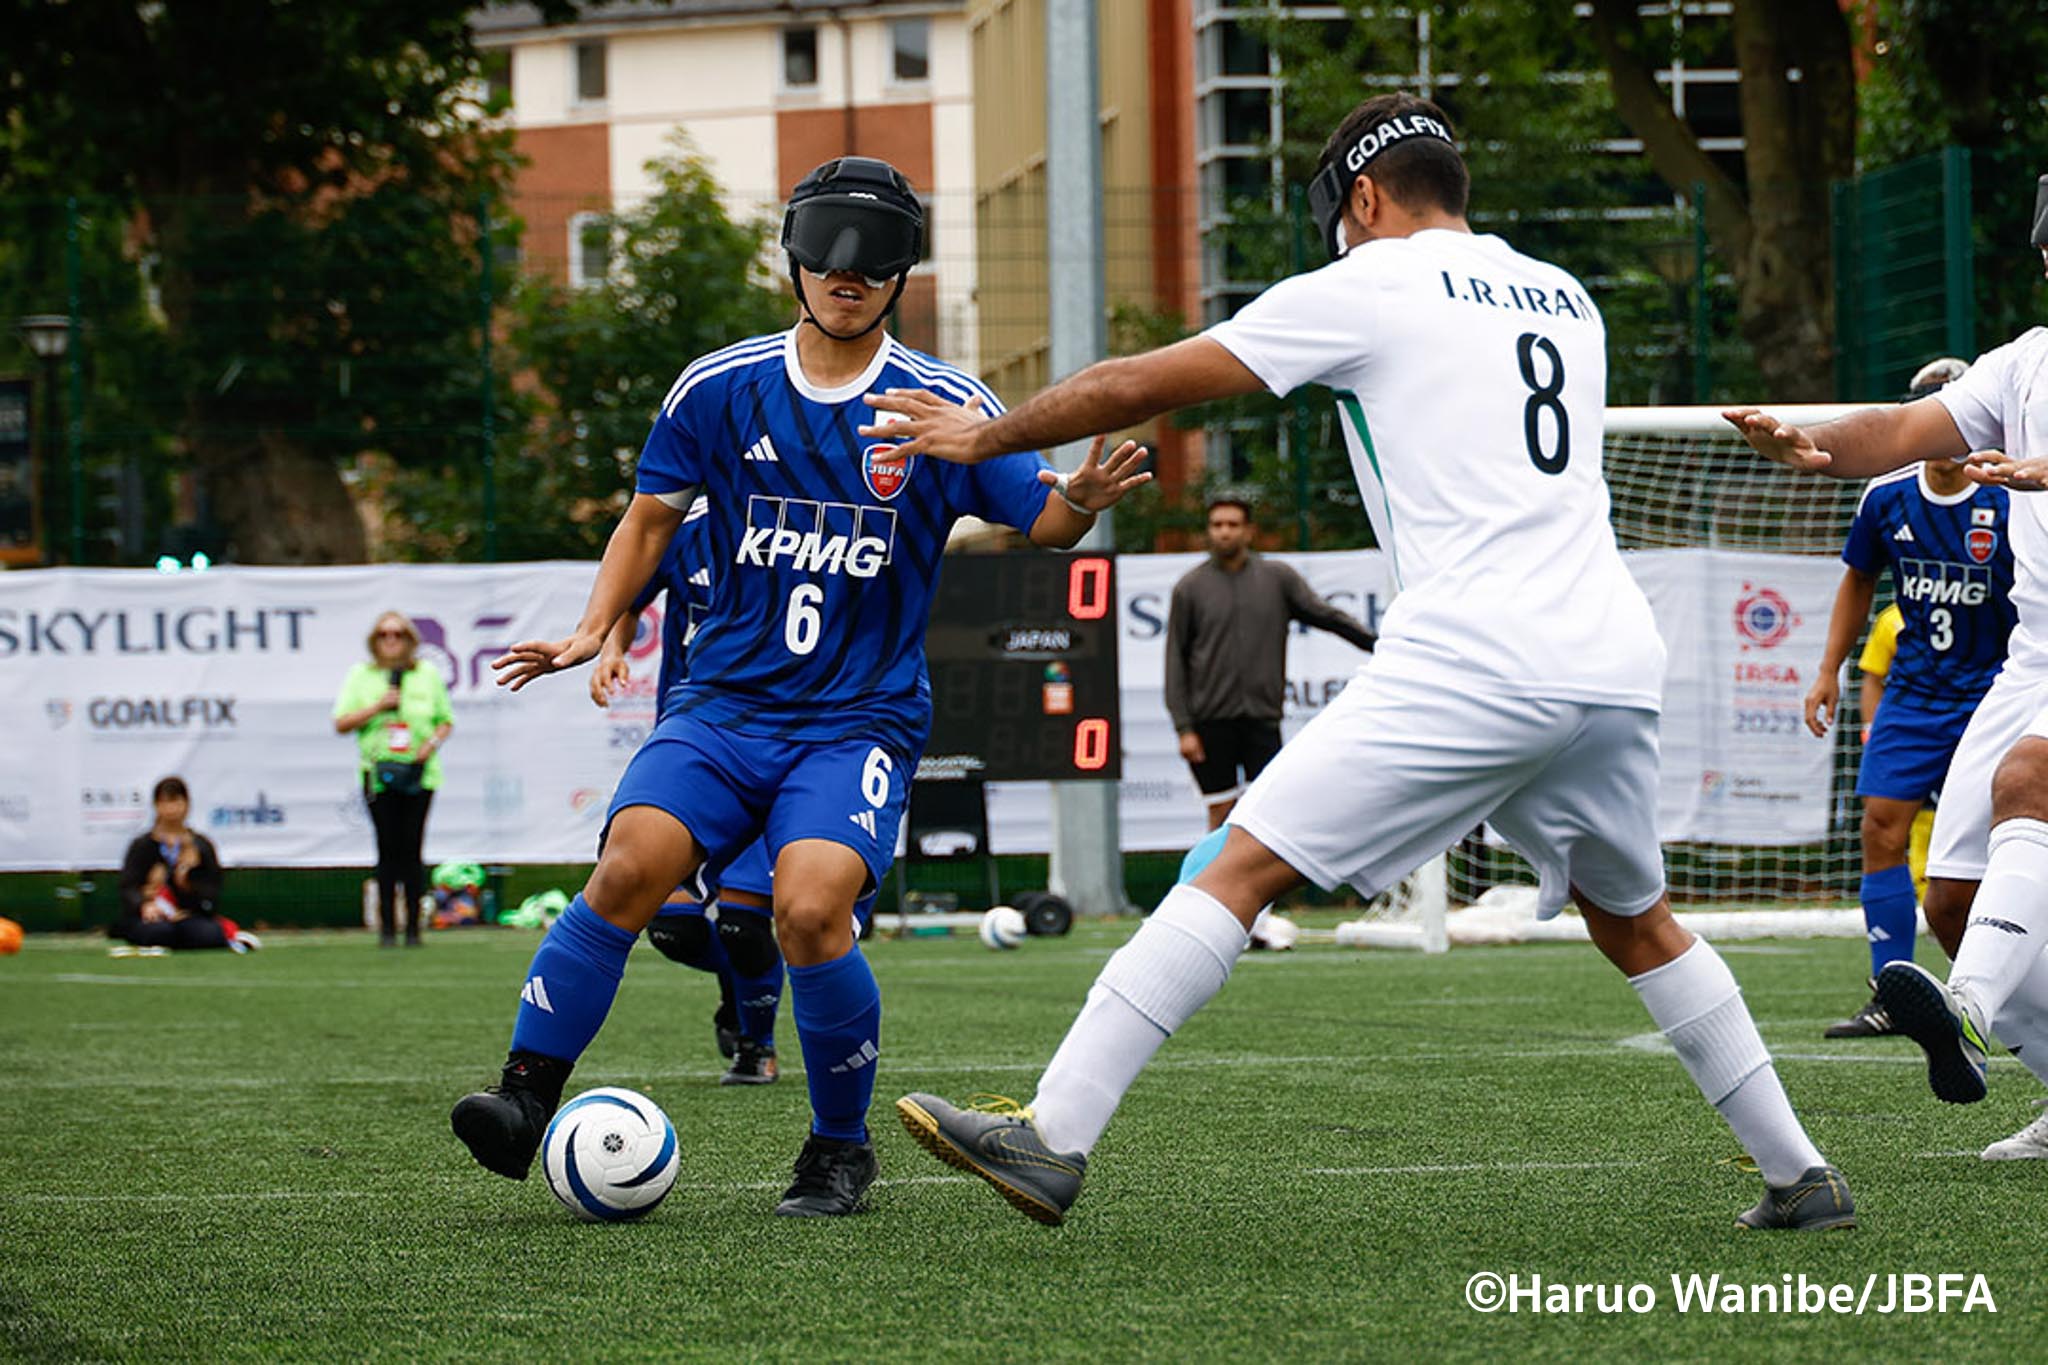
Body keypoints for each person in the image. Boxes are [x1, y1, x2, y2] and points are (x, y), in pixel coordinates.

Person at [872, 94, 1849, 1231]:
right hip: (1609, 657)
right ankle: (1799, 1175)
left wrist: (982, 437)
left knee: (1233, 869)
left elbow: (1143, 383)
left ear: (1366, 198)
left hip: (1480, 653)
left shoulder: (1371, 283)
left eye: (1337, 212)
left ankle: (1053, 1136)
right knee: (1634, 921)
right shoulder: (1564, 296)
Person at [450, 155, 1151, 1217]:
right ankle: (521, 1097)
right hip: (722, 708)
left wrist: (1081, 503)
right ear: (791, 257)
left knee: (810, 910)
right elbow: (649, 518)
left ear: (900, 271)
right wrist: (593, 629)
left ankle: (837, 1149)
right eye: (825, 252)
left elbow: (1038, 520)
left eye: (871, 259)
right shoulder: (719, 389)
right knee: (630, 869)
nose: (845, 275)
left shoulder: (945, 405)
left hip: (854, 724)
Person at [1724, 175, 2048, 1159]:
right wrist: (1815, 446)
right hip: (2034, 652)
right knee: (1947, 891)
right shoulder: (2022, 363)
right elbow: (1905, 431)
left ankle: (1963, 1012)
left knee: (2024, 781)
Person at [1801, 359, 2015, 1038]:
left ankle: (2006, 983)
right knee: (1880, 826)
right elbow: (1857, 580)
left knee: (2004, 841)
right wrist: (1827, 670)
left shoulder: (2011, 497)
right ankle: (1889, 990)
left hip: (1996, 692)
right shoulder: (1885, 495)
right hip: (1916, 692)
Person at [590, 493, 787, 1086]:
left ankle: (757, 1045)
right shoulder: (686, 524)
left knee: (744, 924)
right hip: (697, 751)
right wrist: (612, 646)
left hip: (783, 748)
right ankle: (741, 988)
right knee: (671, 925)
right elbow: (628, 598)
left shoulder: (807, 522)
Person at [1167, 496, 1376, 829]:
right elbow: (1175, 660)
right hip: (1209, 722)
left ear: (1249, 531)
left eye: (1232, 525)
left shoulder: (1277, 578)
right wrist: (1183, 727)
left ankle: (1261, 882)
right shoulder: (1190, 588)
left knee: (1266, 815)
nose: (1224, 532)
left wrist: (1378, 645)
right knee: (1221, 812)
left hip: (1261, 719)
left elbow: (1327, 616)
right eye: (1217, 525)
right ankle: (1214, 881)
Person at [333, 611, 454, 947]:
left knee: (412, 848)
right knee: (388, 848)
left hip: (419, 773)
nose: (391, 640)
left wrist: (428, 746)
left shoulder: (426, 674)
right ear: (375, 640)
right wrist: (377, 706)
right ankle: (388, 927)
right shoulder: (361, 676)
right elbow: (341, 722)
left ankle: (414, 928)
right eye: (384, 634)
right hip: (379, 775)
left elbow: (445, 720)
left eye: (398, 634)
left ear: (409, 640)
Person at [1855, 606, 1939, 900]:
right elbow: (1872, 678)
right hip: (1913, 734)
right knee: (1915, 821)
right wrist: (1871, 731)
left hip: (1966, 728)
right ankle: (1926, 896)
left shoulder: (1984, 607)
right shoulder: (1891, 620)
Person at [111, 776, 247, 952]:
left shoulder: (201, 846)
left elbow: (212, 888)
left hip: (188, 915)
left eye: (175, 802)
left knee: (207, 934)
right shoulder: (143, 845)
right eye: (165, 803)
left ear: (187, 805)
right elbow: (128, 886)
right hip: (152, 916)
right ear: (156, 806)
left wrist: (186, 883)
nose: (171, 809)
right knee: (157, 933)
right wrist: (144, 905)